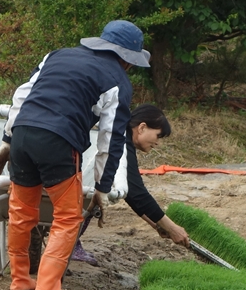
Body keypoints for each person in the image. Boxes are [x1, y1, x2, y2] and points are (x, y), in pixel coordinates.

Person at [0, 20, 146, 290]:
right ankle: (48, 287)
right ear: (128, 60)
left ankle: (20, 278)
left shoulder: (57, 54)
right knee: (67, 217)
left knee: (21, 211)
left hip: (23, 133)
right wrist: (101, 186)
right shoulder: (119, 82)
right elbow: (110, 139)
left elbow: (23, 95)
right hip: (59, 142)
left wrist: (8, 140)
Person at [71, 104, 189, 265]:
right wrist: (172, 228)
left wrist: (156, 225)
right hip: (75, 188)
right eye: (158, 136)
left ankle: (71, 244)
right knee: (95, 200)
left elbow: (130, 194)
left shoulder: (121, 136)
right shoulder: (120, 141)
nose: (157, 143)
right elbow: (137, 193)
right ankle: (70, 244)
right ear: (142, 127)